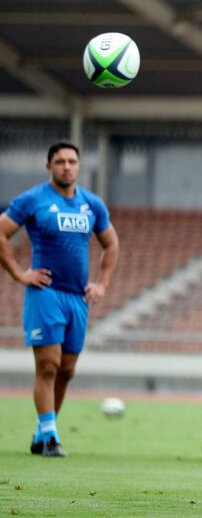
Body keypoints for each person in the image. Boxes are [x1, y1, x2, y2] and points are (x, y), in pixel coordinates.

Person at [0, 140, 119, 457]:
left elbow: (112, 244)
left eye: (72, 161)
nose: (66, 166)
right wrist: (18, 274)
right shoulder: (33, 199)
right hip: (45, 294)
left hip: (77, 298)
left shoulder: (92, 205)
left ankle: (42, 434)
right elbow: (1, 232)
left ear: (79, 166)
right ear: (49, 166)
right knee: (49, 366)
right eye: (60, 161)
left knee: (67, 371)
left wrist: (102, 283)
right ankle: (52, 436)